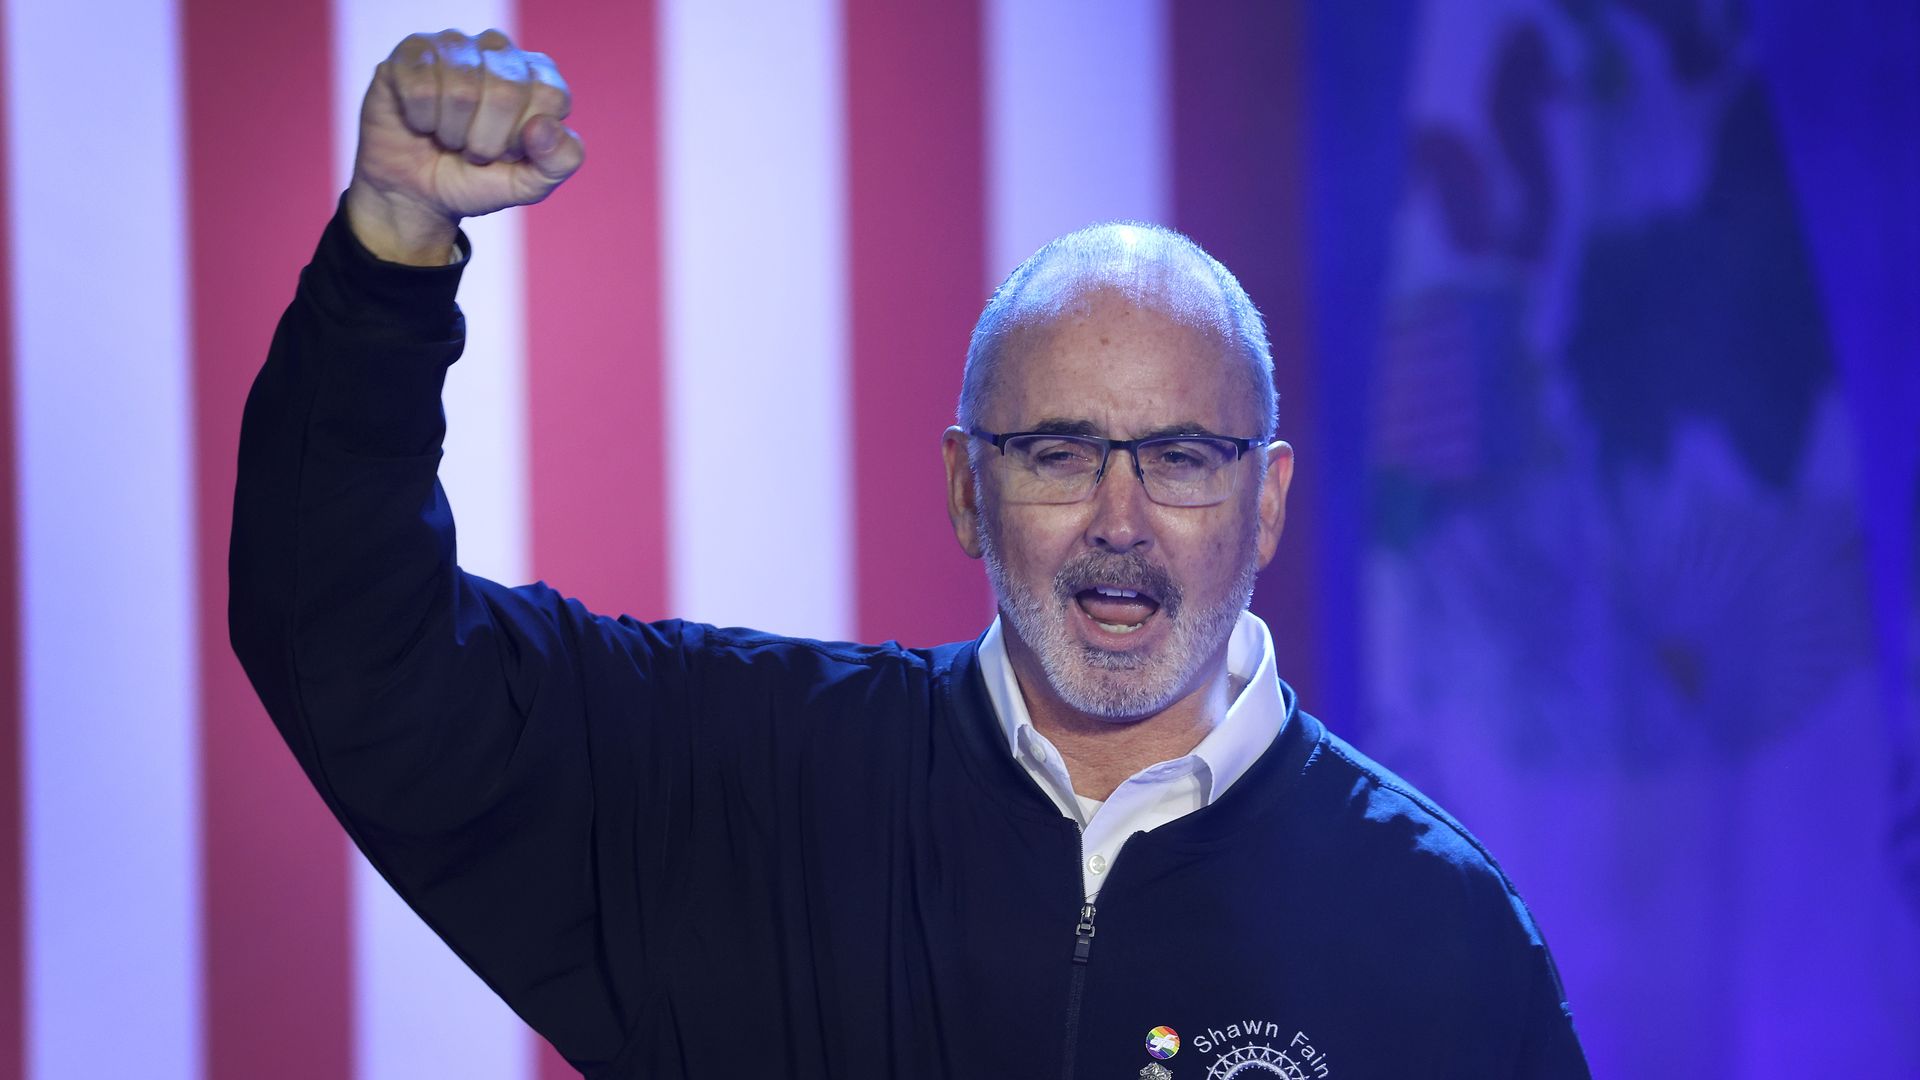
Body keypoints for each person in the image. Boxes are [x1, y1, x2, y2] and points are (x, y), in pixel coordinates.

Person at [230, 28, 1591, 1079]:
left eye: (1181, 457)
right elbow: (348, 643)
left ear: (1269, 502)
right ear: (965, 488)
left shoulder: (1441, 932)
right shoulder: (744, 790)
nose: (1120, 518)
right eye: (1058, 452)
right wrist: (393, 253)